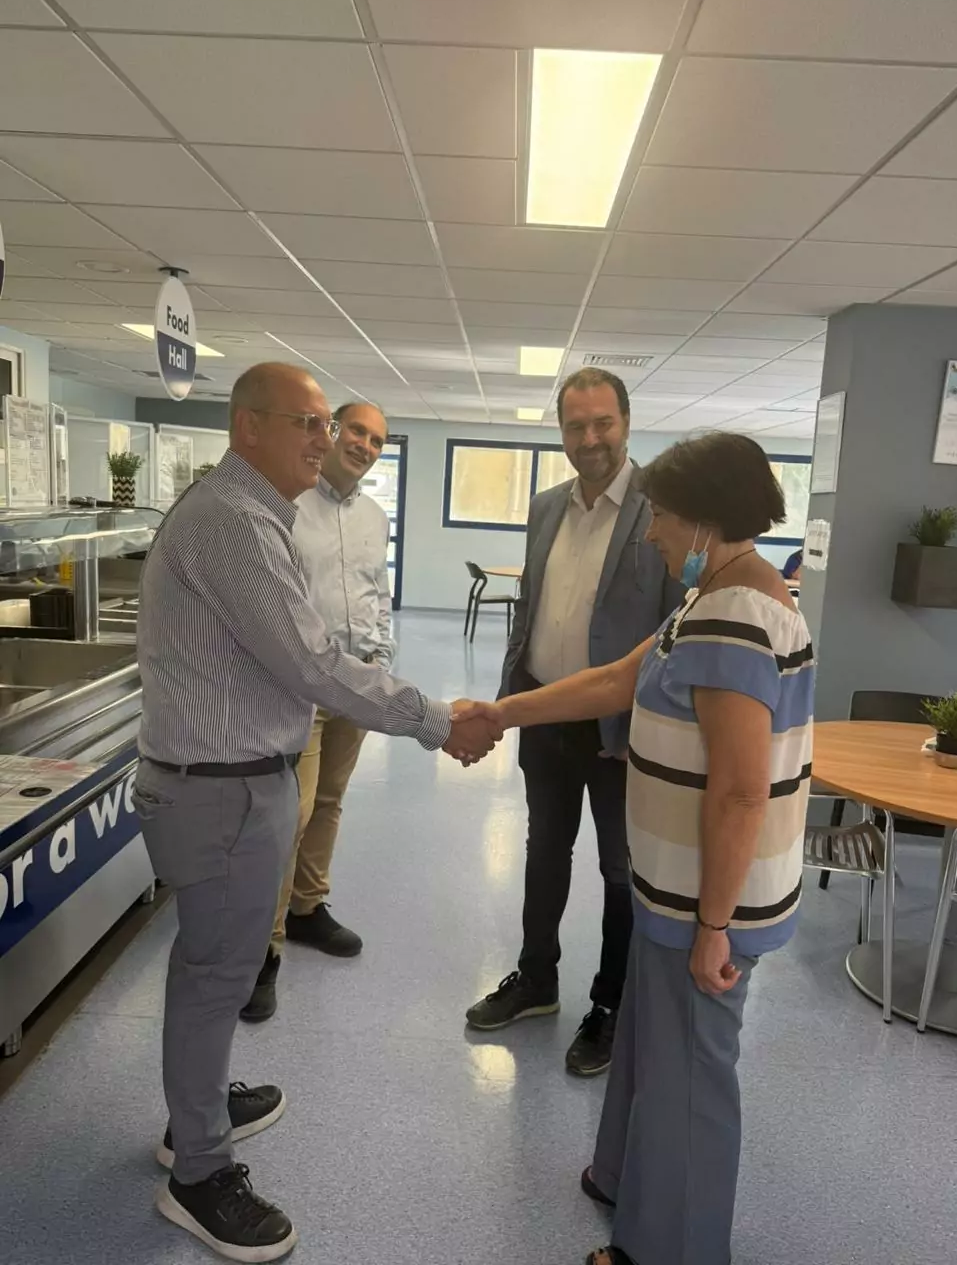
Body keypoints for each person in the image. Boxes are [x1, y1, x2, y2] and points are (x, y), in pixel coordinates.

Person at [135, 362, 498, 1262]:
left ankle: (198, 1110)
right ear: (247, 427)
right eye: (305, 422)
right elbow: (307, 660)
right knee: (215, 972)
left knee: (215, 965)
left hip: (240, 778)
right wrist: (436, 719)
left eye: (323, 425)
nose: (323, 439)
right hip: (219, 788)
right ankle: (197, 1171)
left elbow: (308, 651)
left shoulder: (260, 515)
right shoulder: (233, 520)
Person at [466, 431, 814, 1265]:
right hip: (679, 884)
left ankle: (669, 1249)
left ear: (704, 520)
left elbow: (740, 790)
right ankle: (622, 1175)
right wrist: (501, 713)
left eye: (661, 516)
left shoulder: (733, 619)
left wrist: (714, 926)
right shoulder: (720, 593)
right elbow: (616, 680)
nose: (652, 532)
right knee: (652, 1043)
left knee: (690, 1074)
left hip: (707, 898)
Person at [465, 367, 682, 1077]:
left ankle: (610, 1005)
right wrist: (508, 701)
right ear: (561, 431)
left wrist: (649, 724)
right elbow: (530, 610)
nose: (590, 438)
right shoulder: (546, 507)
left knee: (621, 870)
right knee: (543, 851)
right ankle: (537, 980)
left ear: (627, 423)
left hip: (621, 729)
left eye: (602, 423)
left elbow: (677, 626)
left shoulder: (663, 510)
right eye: (576, 425)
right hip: (545, 711)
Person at [242, 401, 393, 1022]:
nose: (365, 445)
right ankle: (263, 947)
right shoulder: (286, 505)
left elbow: (378, 594)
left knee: (329, 801)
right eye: (356, 431)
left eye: (376, 440)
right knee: (292, 812)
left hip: (355, 683)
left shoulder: (375, 517)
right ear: (331, 431)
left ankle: (307, 907)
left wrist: (382, 658)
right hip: (298, 687)